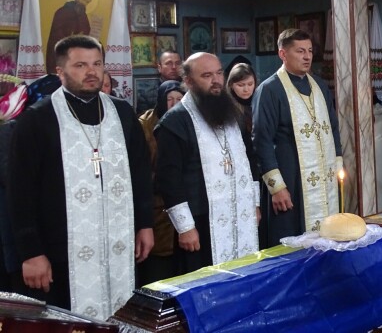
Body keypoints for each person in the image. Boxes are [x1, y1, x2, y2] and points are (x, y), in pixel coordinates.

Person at [8, 35, 154, 319]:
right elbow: (20, 192)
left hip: (118, 244)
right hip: (60, 249)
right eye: (80, 65)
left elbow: (140, 171)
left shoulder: (122, 112)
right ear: (60, 71)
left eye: (97, 64)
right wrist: (31, 252)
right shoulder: (37, 119)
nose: (91, 72)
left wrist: (145, 224)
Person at [155, 53, 260, 274]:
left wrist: (255, 204)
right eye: (207, 75)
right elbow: (169, 180)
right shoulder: (175, 121)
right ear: (189, 81)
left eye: (219, 73)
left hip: (238, 213)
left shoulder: (232, 113)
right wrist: (185, 227)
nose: (216, 81)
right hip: (199, 222)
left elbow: (249, 160)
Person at [251, 29, 343, 247]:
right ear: (283, 54)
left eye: (309, 51)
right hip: (290, 177)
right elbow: (262, 141)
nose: (307, 57)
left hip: (324, 176)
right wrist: (277, 187)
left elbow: (333, 128)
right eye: (300, 51)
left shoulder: (319, 86)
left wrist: (337, 166)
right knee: (291, 237)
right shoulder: (269, 89)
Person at [136, 80, 184, 285]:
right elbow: (140, 165)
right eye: (169, 99)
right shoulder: (145, 124)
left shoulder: (188, 120)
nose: (174, 104)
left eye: (179, 99)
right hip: (155, 204)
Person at [45, 0, 92, 74]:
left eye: (87, 2)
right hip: (62, 49)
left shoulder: (83, 14)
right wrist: (70, 38)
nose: (84, 3)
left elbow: (86, 30)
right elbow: (56, 31)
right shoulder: (63, 11)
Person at [227, 62, 257, 139]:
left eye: (250, 84)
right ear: (231, 85)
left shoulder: (260, 103)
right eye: (240, 85)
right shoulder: (227, 108)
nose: (246, 89)